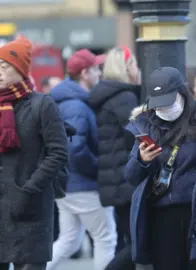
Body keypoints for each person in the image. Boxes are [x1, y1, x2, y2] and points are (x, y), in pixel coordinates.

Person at [124, 67, 196, 270]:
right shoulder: (147, 124)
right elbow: (131, 177)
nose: (163, 109)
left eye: (167, 103)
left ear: (182, 93)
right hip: (163, 217)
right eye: (158, 105)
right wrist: (142, 159)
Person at [0, 36, 68, 270]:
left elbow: (58, 152)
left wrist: (29, 188)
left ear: (20, 70)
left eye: (5, 66)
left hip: (31, 207)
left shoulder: (42, 105)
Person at [47, 49, 117, 270]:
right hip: (83, 186)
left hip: (66, 184)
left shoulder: (65, 100)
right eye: (96, 69)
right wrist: (99, 167)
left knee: (70, 240)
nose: (99, 74)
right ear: (85, 73)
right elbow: (75, 149)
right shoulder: (76, 104)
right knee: (106, 238)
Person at [88, 46, 141, 270]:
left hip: (114, 181)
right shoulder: (125, 97)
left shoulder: (107, 95)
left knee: (125, 240)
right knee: (139, 242)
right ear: (127, 67)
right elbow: (135, 135)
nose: (138, 70)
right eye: (135, 65)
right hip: (126, 180)